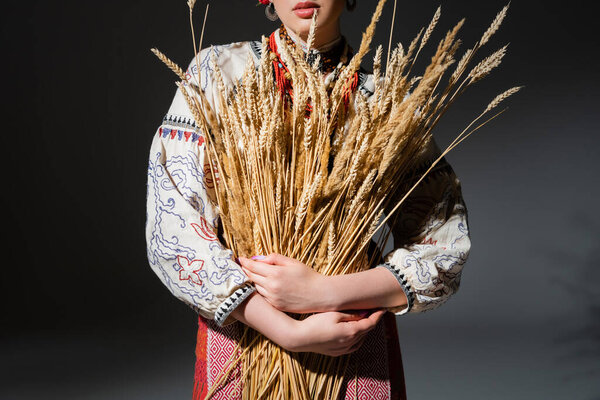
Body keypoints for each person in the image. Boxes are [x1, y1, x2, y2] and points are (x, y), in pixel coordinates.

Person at [145, 0, 471, 398]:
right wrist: (288, 330)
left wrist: (323, 292)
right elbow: (173, 230)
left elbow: (443, 249)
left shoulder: (384, 101)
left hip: (349, 339)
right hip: (245, 338)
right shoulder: (217, 73)